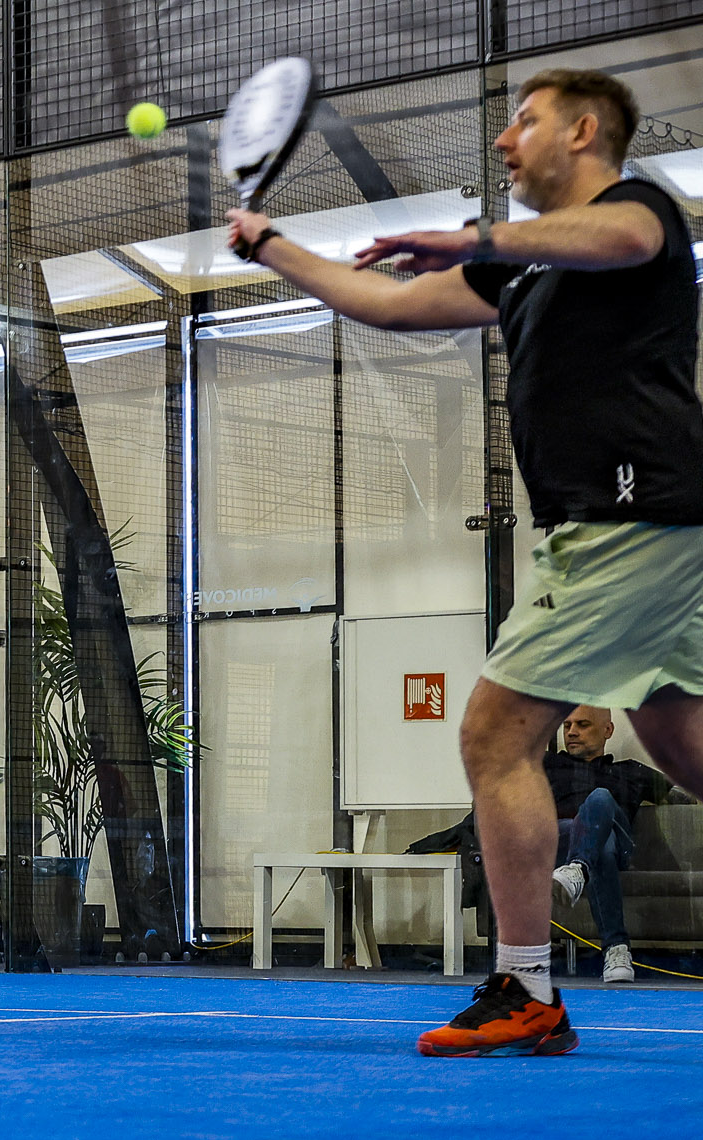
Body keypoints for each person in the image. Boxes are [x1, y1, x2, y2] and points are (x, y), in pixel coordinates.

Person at [229, 69, 703, 1055]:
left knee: (494, 734)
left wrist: (474, 238)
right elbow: (386, 305)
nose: (500, 142)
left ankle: (523, 991)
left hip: (626, 514)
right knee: (684, 744)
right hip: (657, 528)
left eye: (519, 122)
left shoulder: (635, 209)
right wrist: (271, 245)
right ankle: (525, 992)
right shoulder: (522, 268)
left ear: (581, 132)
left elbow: (622, 241)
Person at [546, 705, 681, 983]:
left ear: (607, 730)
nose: (571, 732)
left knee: (600, 798)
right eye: (567, 725)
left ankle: (577, 870)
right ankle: (616, 949)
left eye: (583, 725)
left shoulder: (631, 771)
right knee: (599, 845)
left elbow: (685, 796)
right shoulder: (547, 766)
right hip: (561, 844)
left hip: (621, 847)